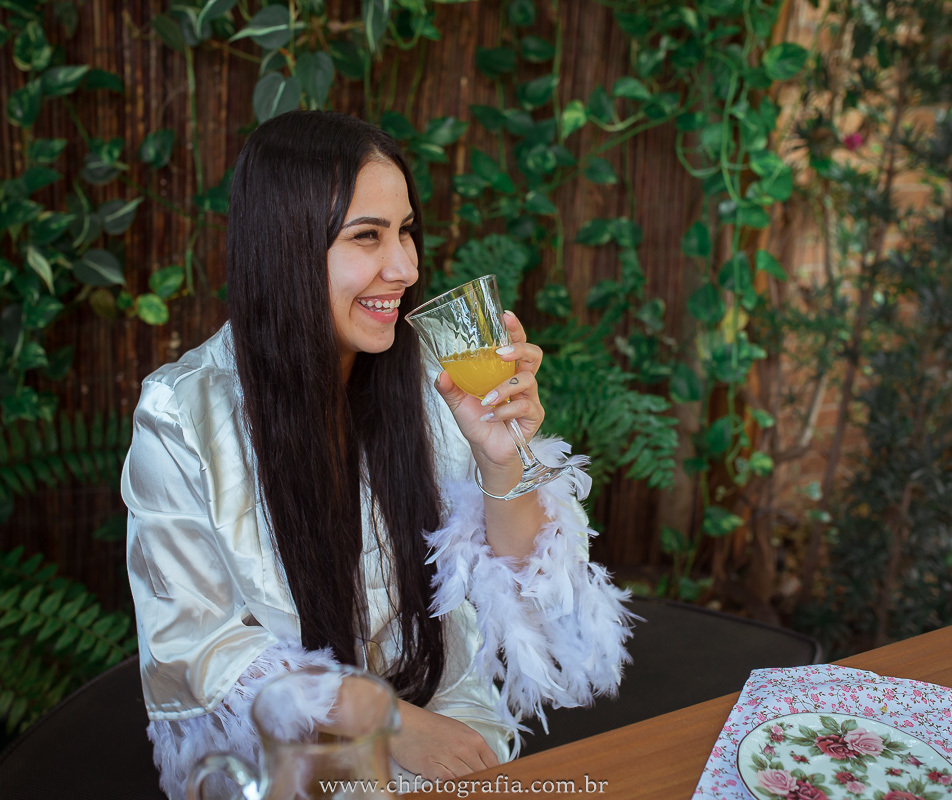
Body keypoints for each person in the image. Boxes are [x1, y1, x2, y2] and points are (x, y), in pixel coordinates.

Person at [122, 110, 633, 799]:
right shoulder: (181, 416)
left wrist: (500, 457)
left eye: (406, 231)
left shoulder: (431, 375)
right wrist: (389, 723)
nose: (405, 266)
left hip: (442, 709)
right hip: (288, 755)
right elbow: (200, 649)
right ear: (285, 247)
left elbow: (530, 602)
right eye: (366, 236)